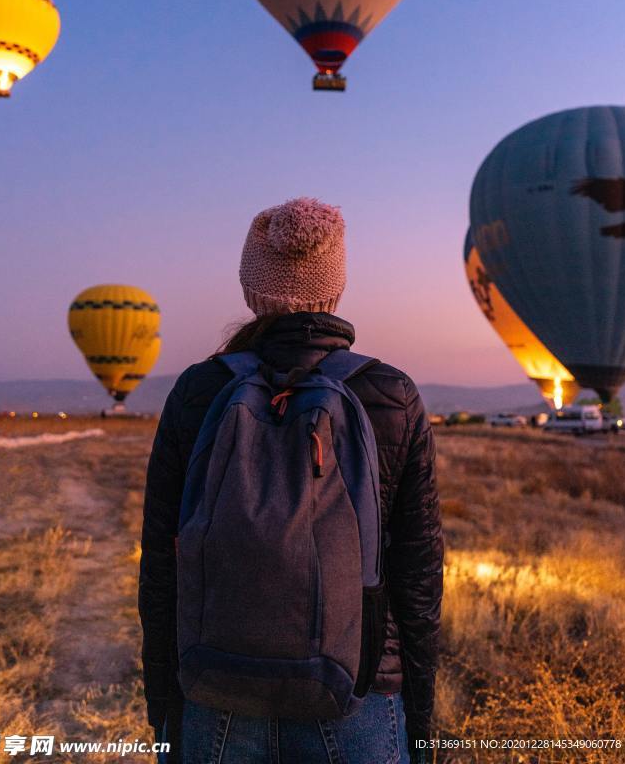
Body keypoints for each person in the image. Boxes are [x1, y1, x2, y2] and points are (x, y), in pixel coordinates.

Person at [139, 197, 444, 764]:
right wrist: (420, 721)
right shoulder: (392, 395)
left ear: (252, 293)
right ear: (337, 289)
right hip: (359, 694)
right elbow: (419, 580)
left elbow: (162, 564)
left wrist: (165, 707)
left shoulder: (198, 391)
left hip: (214, 688)